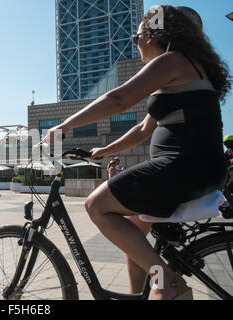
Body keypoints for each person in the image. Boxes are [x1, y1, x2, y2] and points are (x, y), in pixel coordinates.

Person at [47, 5, 230, 300]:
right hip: (197, 168)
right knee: (133, 235)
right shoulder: (185, 68)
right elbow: (144, 130)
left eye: (137, 36)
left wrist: (63, 126)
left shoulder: (172, 61)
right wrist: (104, 150)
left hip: (182, 168)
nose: (136, 42)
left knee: (96, 206)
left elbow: (118, 99)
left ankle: (167, 283)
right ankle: (146, 292)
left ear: (153, 34)